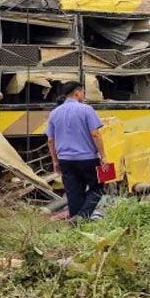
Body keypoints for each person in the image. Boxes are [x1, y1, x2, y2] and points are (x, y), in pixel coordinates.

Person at [45, 81, 107, 220]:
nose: (83, 95)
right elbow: (95, 134)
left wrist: (55, 161)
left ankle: (76, 223)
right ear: (77, 93)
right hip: (88, 159)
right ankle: (81, 218)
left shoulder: (54, 113)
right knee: (98, 188)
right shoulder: (86, 110)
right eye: (83, 92)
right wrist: (103, 156)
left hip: (65, 160)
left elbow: (50, 140)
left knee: (74, 193)